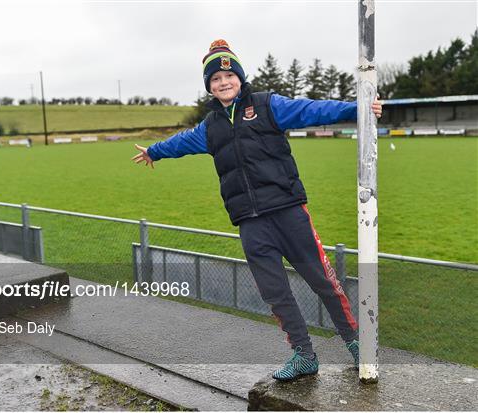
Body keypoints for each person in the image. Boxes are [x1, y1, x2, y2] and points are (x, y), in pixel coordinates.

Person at [132, 39, 382, 381]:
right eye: (215, 80)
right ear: (209, 86)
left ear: (239, 77)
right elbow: (181, 142)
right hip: (250, 223)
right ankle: (304, 354)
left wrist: (356, 108)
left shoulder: (267, 105)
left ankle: (356, 345)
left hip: (288, 212)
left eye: (229, 76)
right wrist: (154, 152)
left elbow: (311, 109)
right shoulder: (210, 127)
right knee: (275, 292)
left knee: (322, 280)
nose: (224, 83)